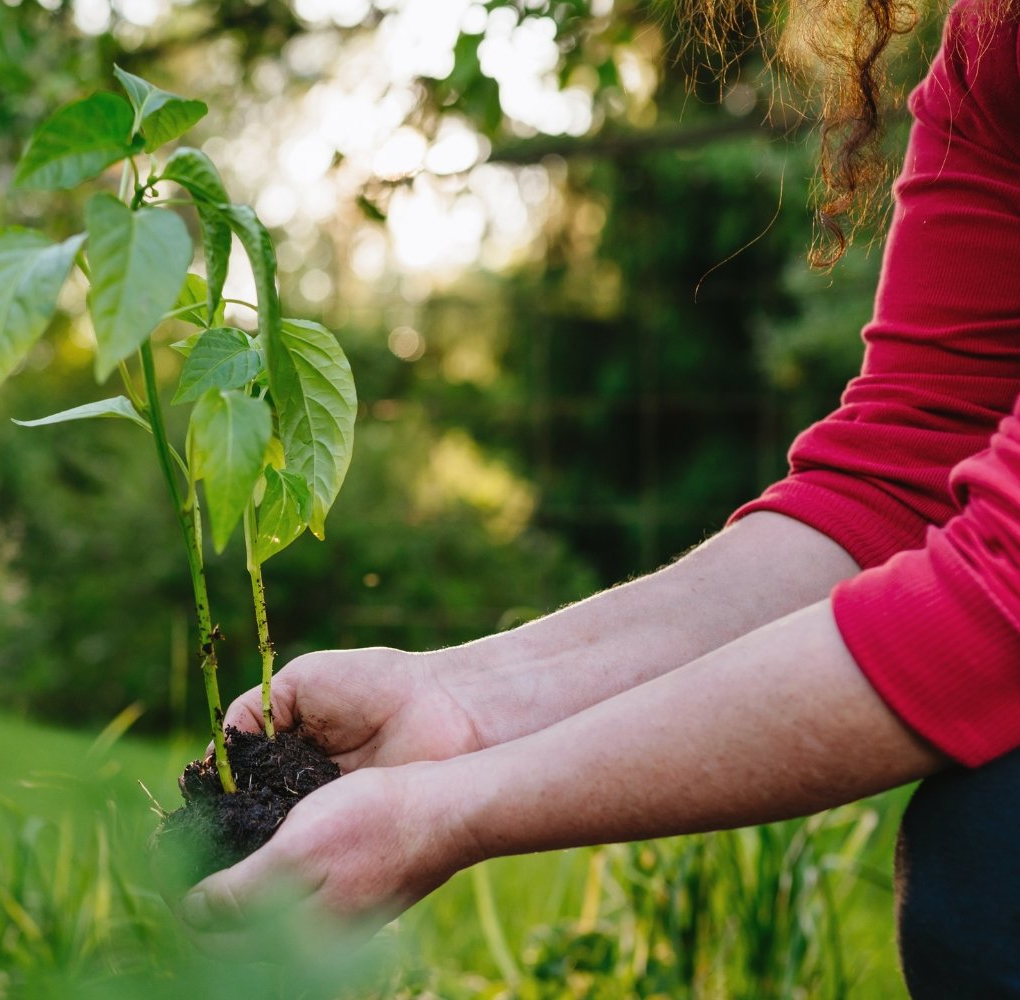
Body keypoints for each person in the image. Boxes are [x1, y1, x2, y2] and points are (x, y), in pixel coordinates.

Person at [178, 0, 1020, 995]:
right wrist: (460, 701)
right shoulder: (992, 39)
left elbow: (990, 608)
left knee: (989, 860)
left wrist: (454, 810)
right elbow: (897, 477)